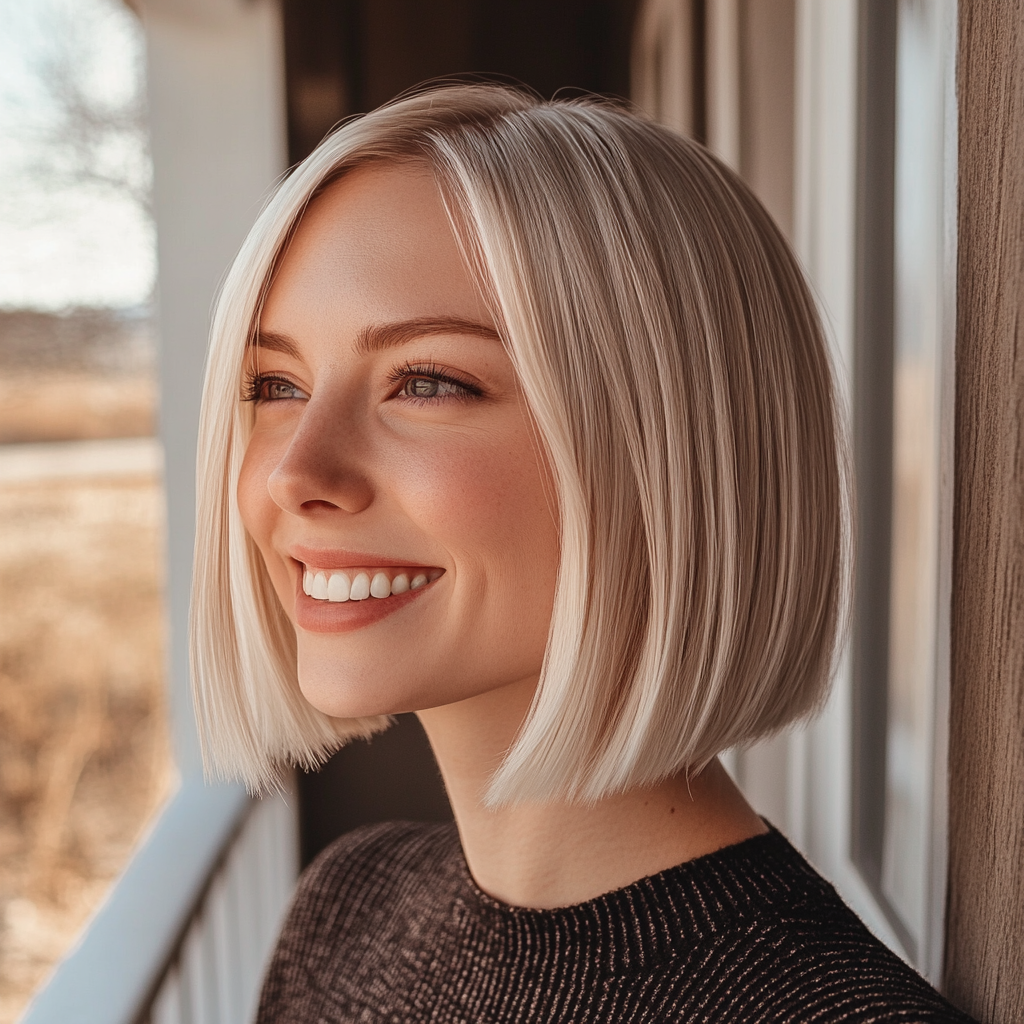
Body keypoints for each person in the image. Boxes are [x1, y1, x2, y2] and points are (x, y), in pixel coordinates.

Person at [190, 84, 975, 1023]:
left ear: (669, 454)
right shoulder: (347, 909)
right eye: (276, 383)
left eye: (427, 382)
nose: (295, 473)